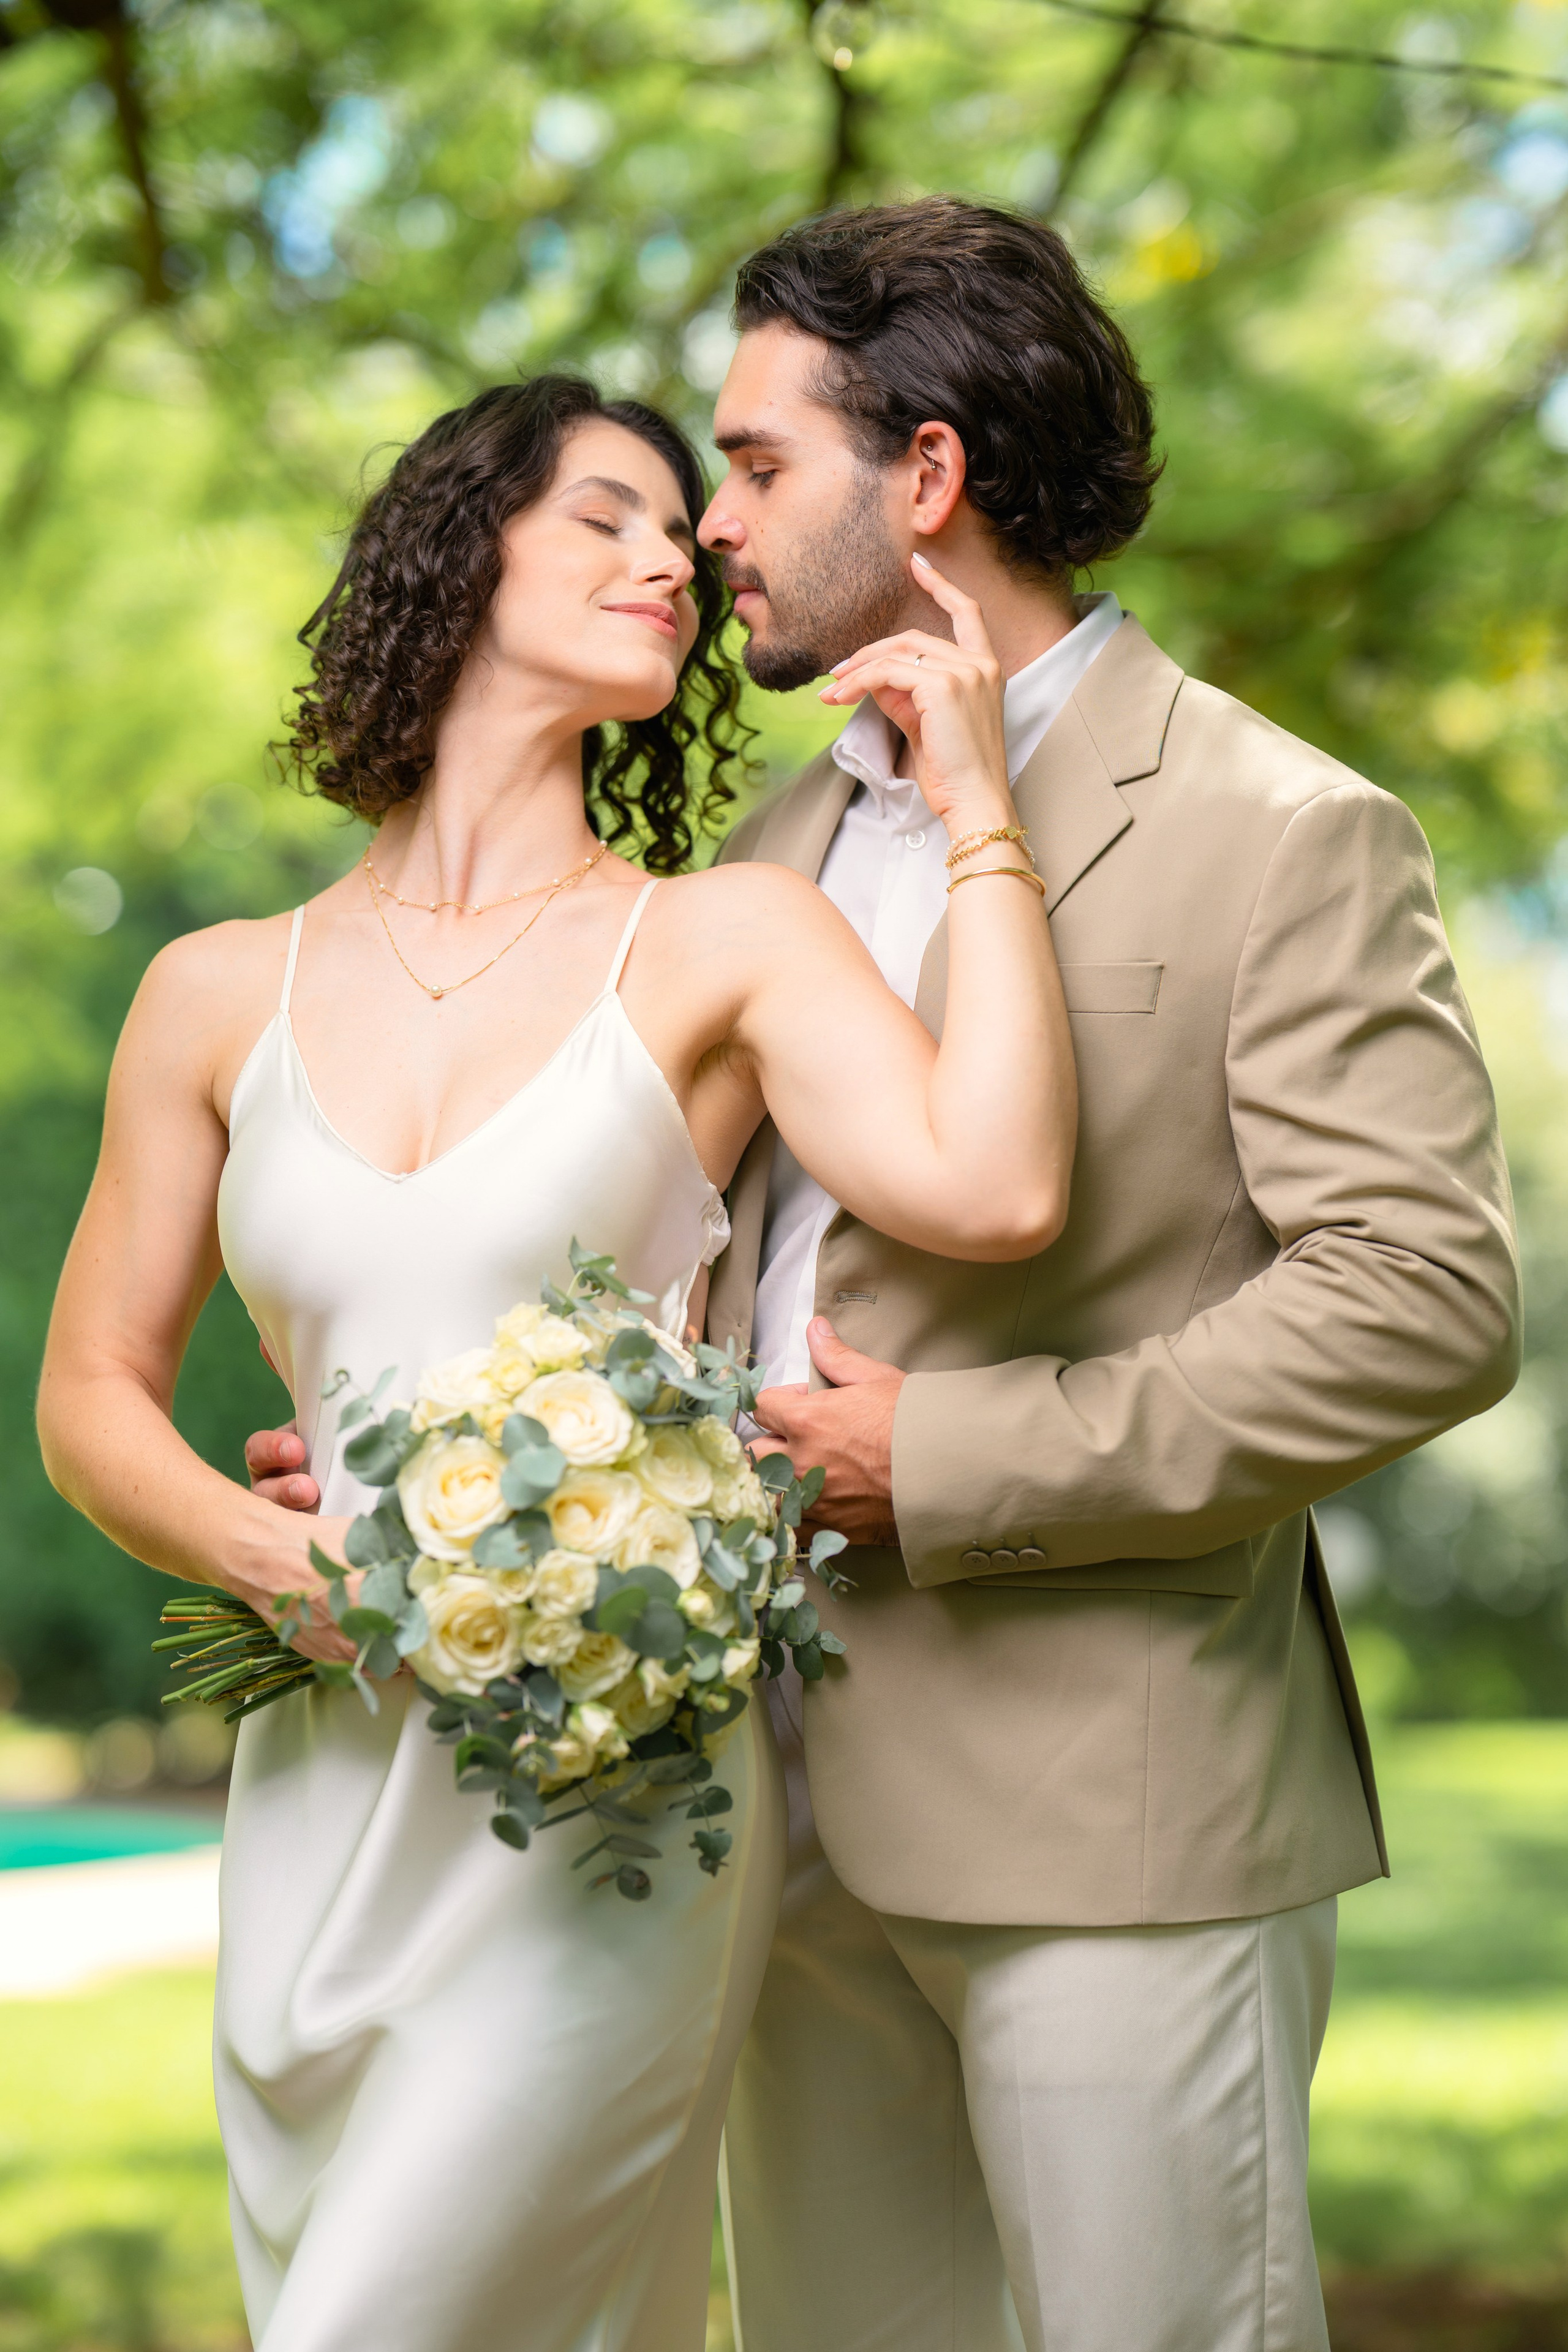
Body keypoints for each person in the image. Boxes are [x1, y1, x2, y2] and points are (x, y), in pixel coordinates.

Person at [246, 200, 1520, 2351]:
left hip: (1114, 1803)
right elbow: (681, 1269)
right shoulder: (766, 854)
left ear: (924, 477)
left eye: (753, 468)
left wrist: (952, 1456)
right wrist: (441, 1455)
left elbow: (1418, 1295)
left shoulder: (1280, 827)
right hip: (743, 1814)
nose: (712, 530)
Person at [37, 370, 1077, 2352]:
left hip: (612, 1803)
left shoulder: (723, 942)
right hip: (323, 1786)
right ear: (457, 547)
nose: (671, 554)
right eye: (603, 512)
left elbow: (1002, 1183)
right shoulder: (209, 994)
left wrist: (977, 810)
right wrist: (280, 1565)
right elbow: (91, 1393)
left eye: (684, 530)